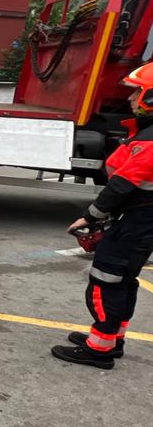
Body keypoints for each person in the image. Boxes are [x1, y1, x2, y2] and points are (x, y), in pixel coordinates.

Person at [51, 63, 153, 369]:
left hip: (137, 223)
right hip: (141, 222)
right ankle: (110, 339)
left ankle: (100, 349)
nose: (132, 98)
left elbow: (122, 186)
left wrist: (91, 218)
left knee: (106, 279)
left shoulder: (150, 138)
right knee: (123, 280)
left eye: (138, 91)